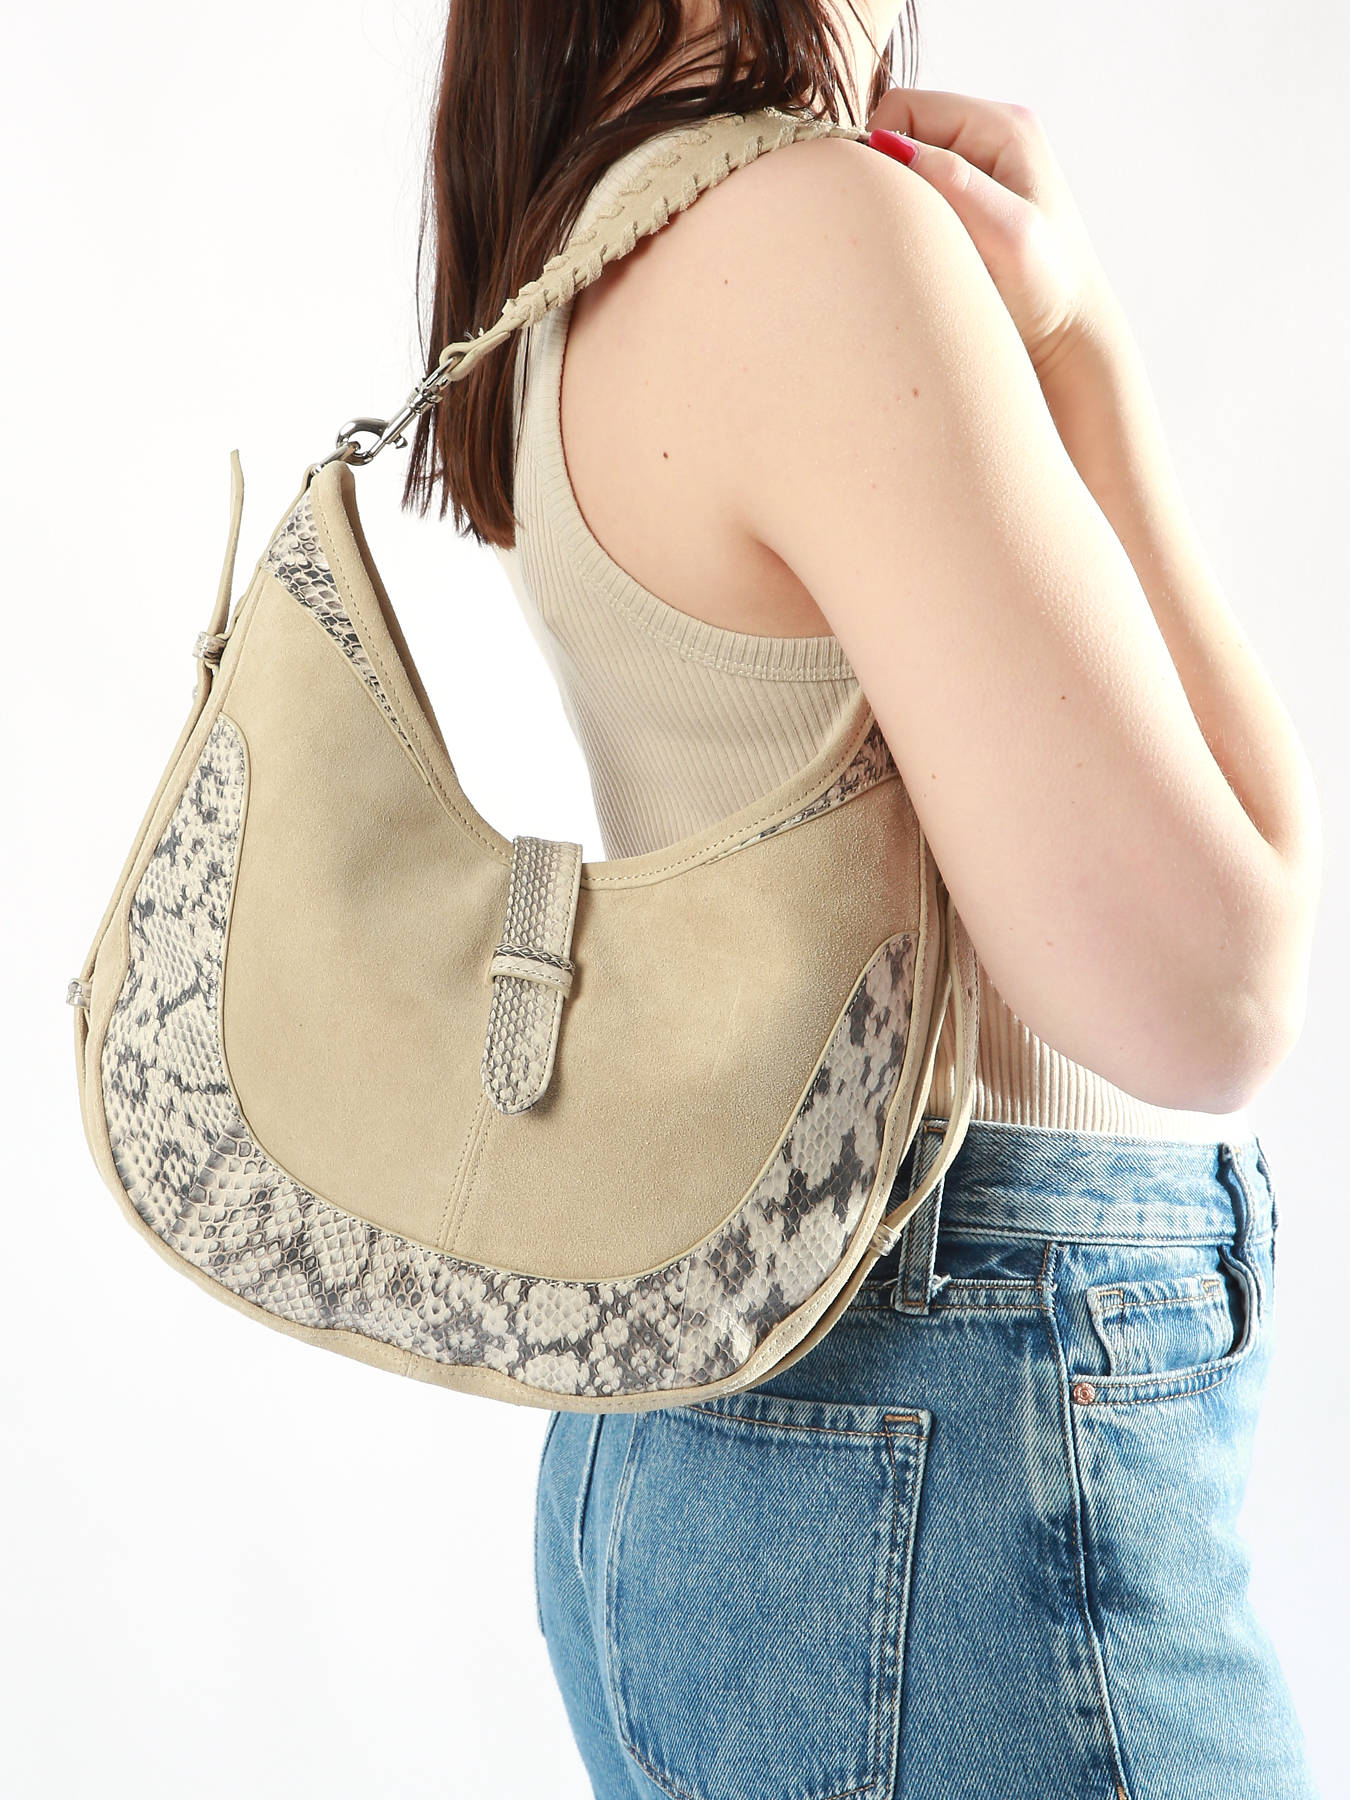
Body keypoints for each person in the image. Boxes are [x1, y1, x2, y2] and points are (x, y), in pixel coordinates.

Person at [403, 3, 1324, 1795]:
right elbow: (1215, 1000)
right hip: (952, 1412)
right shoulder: (811, 231)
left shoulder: (595, 230)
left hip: (712, 1428)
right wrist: (1082, 348)